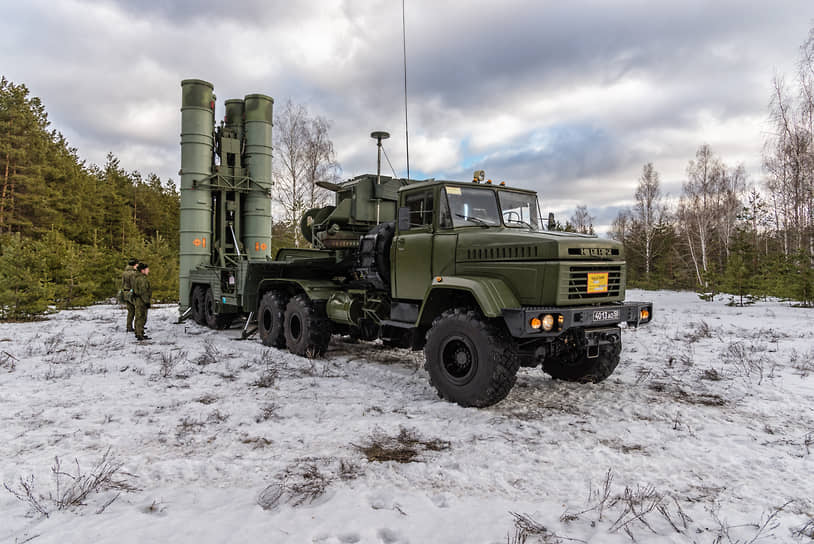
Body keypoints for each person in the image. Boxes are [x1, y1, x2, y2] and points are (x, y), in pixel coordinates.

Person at [132, 262, 152, 341]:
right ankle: (140, 334)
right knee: (141, 317)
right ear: (142, 270)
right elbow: (143, 292)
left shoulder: (137, 277)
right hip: (141, 301)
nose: (148, 271)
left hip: (138, 300)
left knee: (138, 317)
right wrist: (147, 302)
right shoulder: (142, 279)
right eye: (147, 269)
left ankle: (139, 332)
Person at [121, 258, 139, 332]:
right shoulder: (133, 273)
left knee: (130, 311)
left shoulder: (124, 272)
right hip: (132, 293)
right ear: (134, 265)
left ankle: (129, 326)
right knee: (138, 310)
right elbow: (134, 285)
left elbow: (122, 283)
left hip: (126, 292)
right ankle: (138, 327)